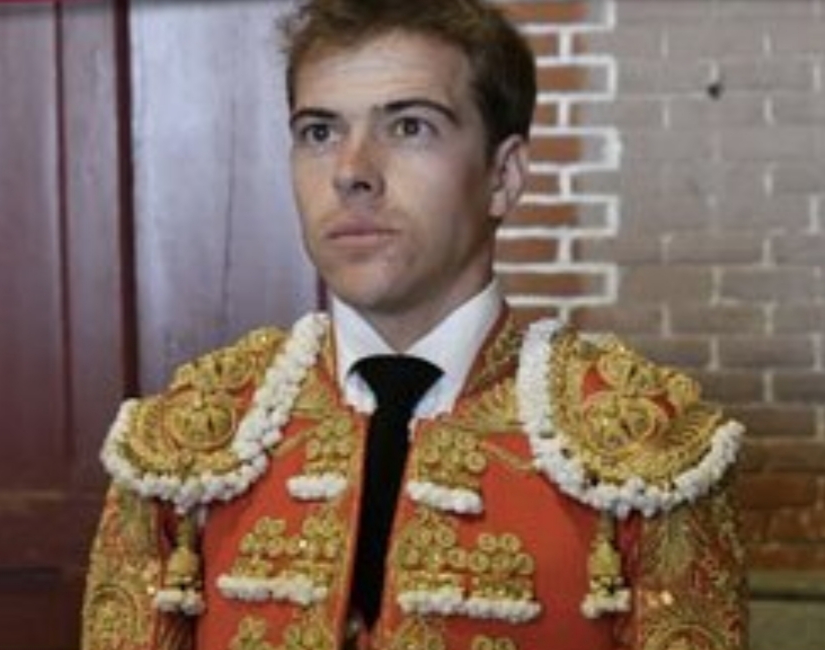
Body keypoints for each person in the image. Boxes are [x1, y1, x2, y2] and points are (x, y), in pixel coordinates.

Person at [81, 0, 747, 648]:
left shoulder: (646, 451)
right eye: (319, 133)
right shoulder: (182, 444)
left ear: (503, 176)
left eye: (409, 127)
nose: (351, 173)